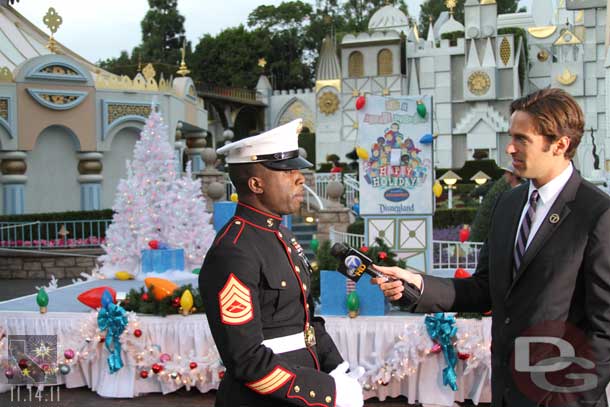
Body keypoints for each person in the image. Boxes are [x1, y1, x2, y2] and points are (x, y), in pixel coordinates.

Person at [372, 88, 610, 407]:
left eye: (522, 139)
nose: (509, 148)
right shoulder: (508, 204)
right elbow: (485, 288)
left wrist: (569, 398)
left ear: (560, 144)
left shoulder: (596, 213)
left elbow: (605, 329)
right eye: (510, 136)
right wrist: (418, 286)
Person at [199, 119, 363, 407]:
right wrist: (325, 391)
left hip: (299, 386)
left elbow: (306, 319)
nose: (300, 178)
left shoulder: (282, 236)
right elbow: (246, 359)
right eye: (287, 171)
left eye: (297, 169)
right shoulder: (234, 251)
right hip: (264, 398)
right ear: (256, 184)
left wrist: (336, 367)